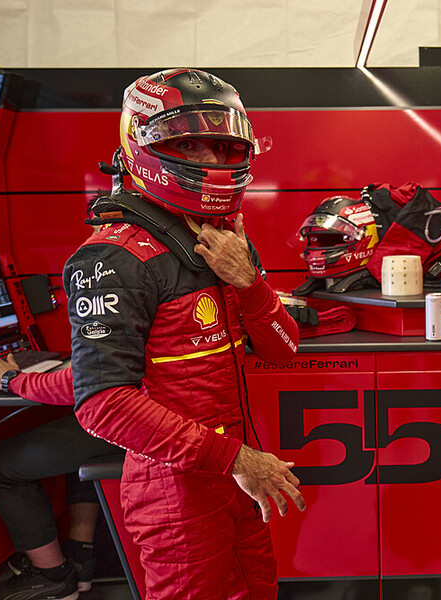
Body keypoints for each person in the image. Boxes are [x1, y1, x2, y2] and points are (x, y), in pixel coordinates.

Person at [61, 68, 305, 600]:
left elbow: (283, 350)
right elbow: (102, 402)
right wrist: (237, 460)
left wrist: (249, 281)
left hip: (237, 476)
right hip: (177, 488)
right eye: (188, 144)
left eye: (222, 145)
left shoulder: (226, 240)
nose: (211, 160)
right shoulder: (113, 256)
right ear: (142, 143)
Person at [0, 361, 121, 600]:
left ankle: (52, 576)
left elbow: (86, 381)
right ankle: (79, 555)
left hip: (129, 421)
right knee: (83, 417)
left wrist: (11, 379)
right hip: (146, 412)